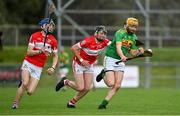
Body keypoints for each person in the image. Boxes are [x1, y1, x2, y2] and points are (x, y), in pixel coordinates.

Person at [55, 26, 111, 108]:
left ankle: (71, 103)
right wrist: (82, 60)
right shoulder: (88, 41)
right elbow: (73, 48)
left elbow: (115, 45)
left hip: (89, 65)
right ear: (96, 33)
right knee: (80, 88)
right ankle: (65, 82)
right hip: (78, 63)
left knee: (88, 87)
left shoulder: (105, 41)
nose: (103, 35)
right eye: (101, 33)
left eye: (105, 34)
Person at [96, 17, 144, 109]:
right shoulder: (120, 33)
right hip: (110, 58)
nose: (134, 29)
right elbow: (118, 47)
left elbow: (133, 53)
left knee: (117, 86)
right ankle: (103, 74)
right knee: (110, 83)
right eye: (132, 26)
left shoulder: (134, 37)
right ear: (127, 26)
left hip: (121, 61)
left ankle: (103, 104)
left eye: (135, 27)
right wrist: (122, 56)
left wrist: (138, 51)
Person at [11, 18, 58, 109]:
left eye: (52, 25)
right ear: (43, 26)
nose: (51, 27)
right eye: (49, 25)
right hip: (28, 63)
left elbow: (55, 56)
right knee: (25, 83)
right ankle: (15, 103)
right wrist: (40, 51)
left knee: (30, 92)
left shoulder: (53, 41)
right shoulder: (35, 36)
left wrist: (53, 67)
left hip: (39, 67)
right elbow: (29, 52)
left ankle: (24, 84)